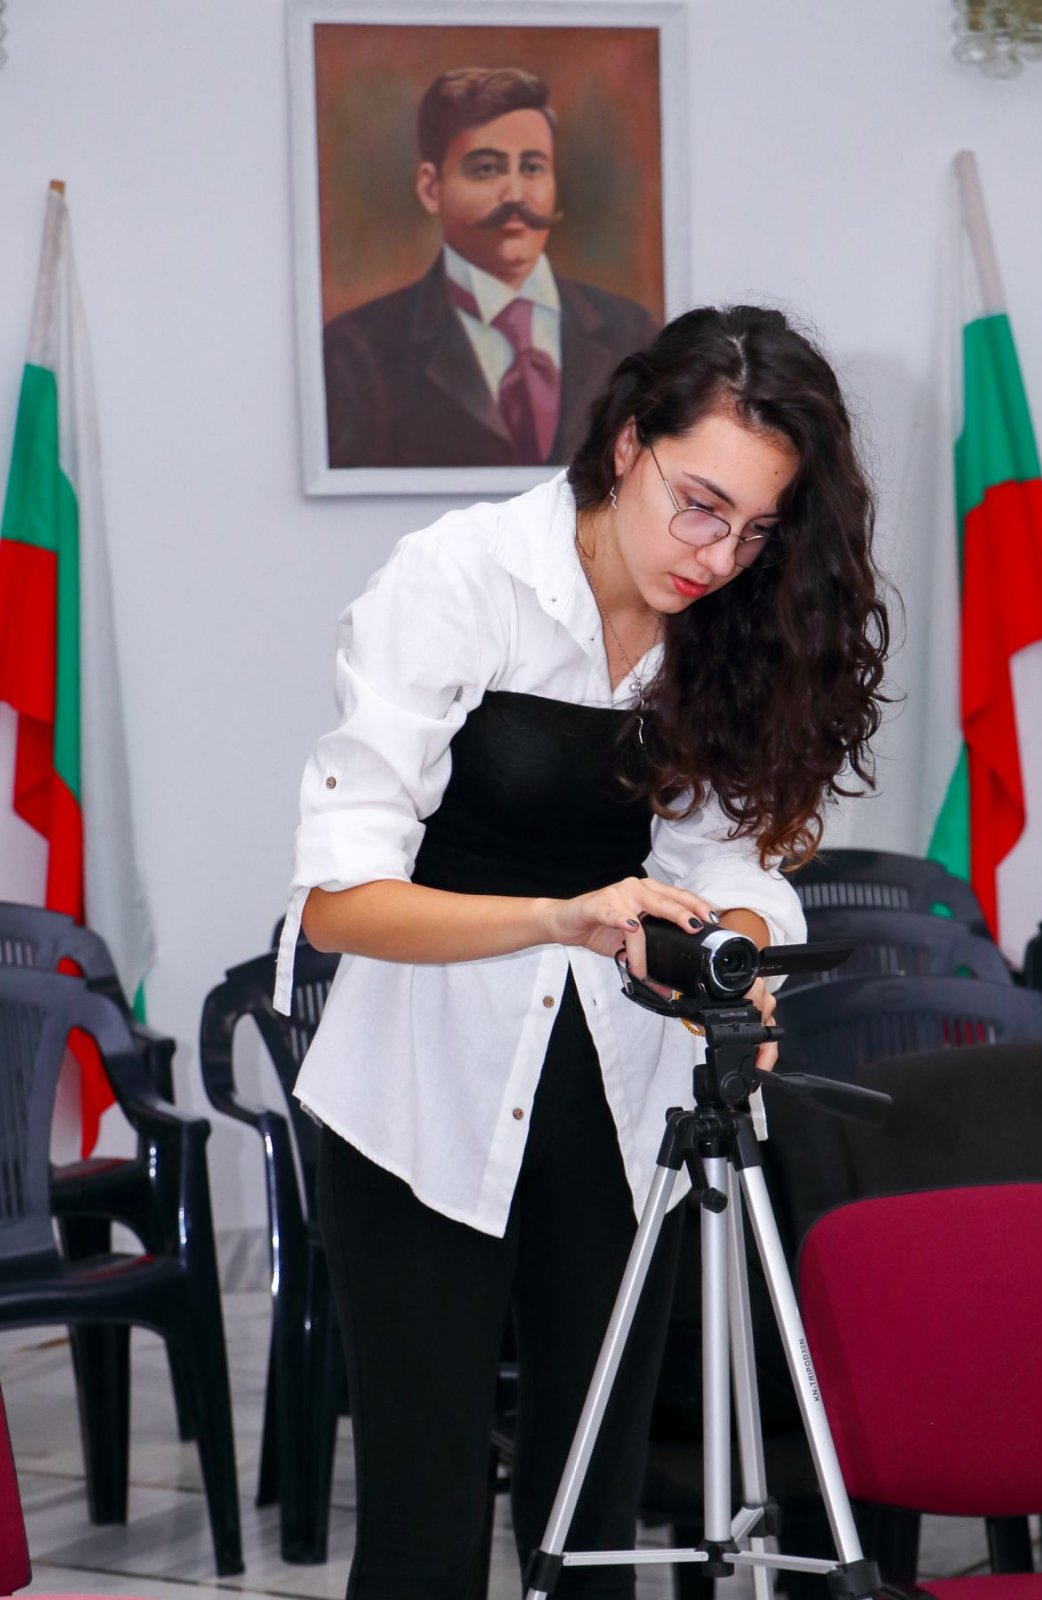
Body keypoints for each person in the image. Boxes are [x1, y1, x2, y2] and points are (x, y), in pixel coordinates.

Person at [275, 304, 891, 1600]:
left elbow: (726, 861)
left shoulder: (726, 630)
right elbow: (338, 900)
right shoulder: (463, 579)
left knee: (595, 1521)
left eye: (757, 529)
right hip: (419, 1105)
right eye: (699, 506)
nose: (718, 555)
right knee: (426, 1531)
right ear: (626, 445)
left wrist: (734, 953)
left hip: (620, 1112)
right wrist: (558, 915)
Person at [322, 65, 659, 470]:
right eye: (486, 169)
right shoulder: (358, 351)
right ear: (431, 188)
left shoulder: (631, 332)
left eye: (532, 168)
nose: (515, 194)